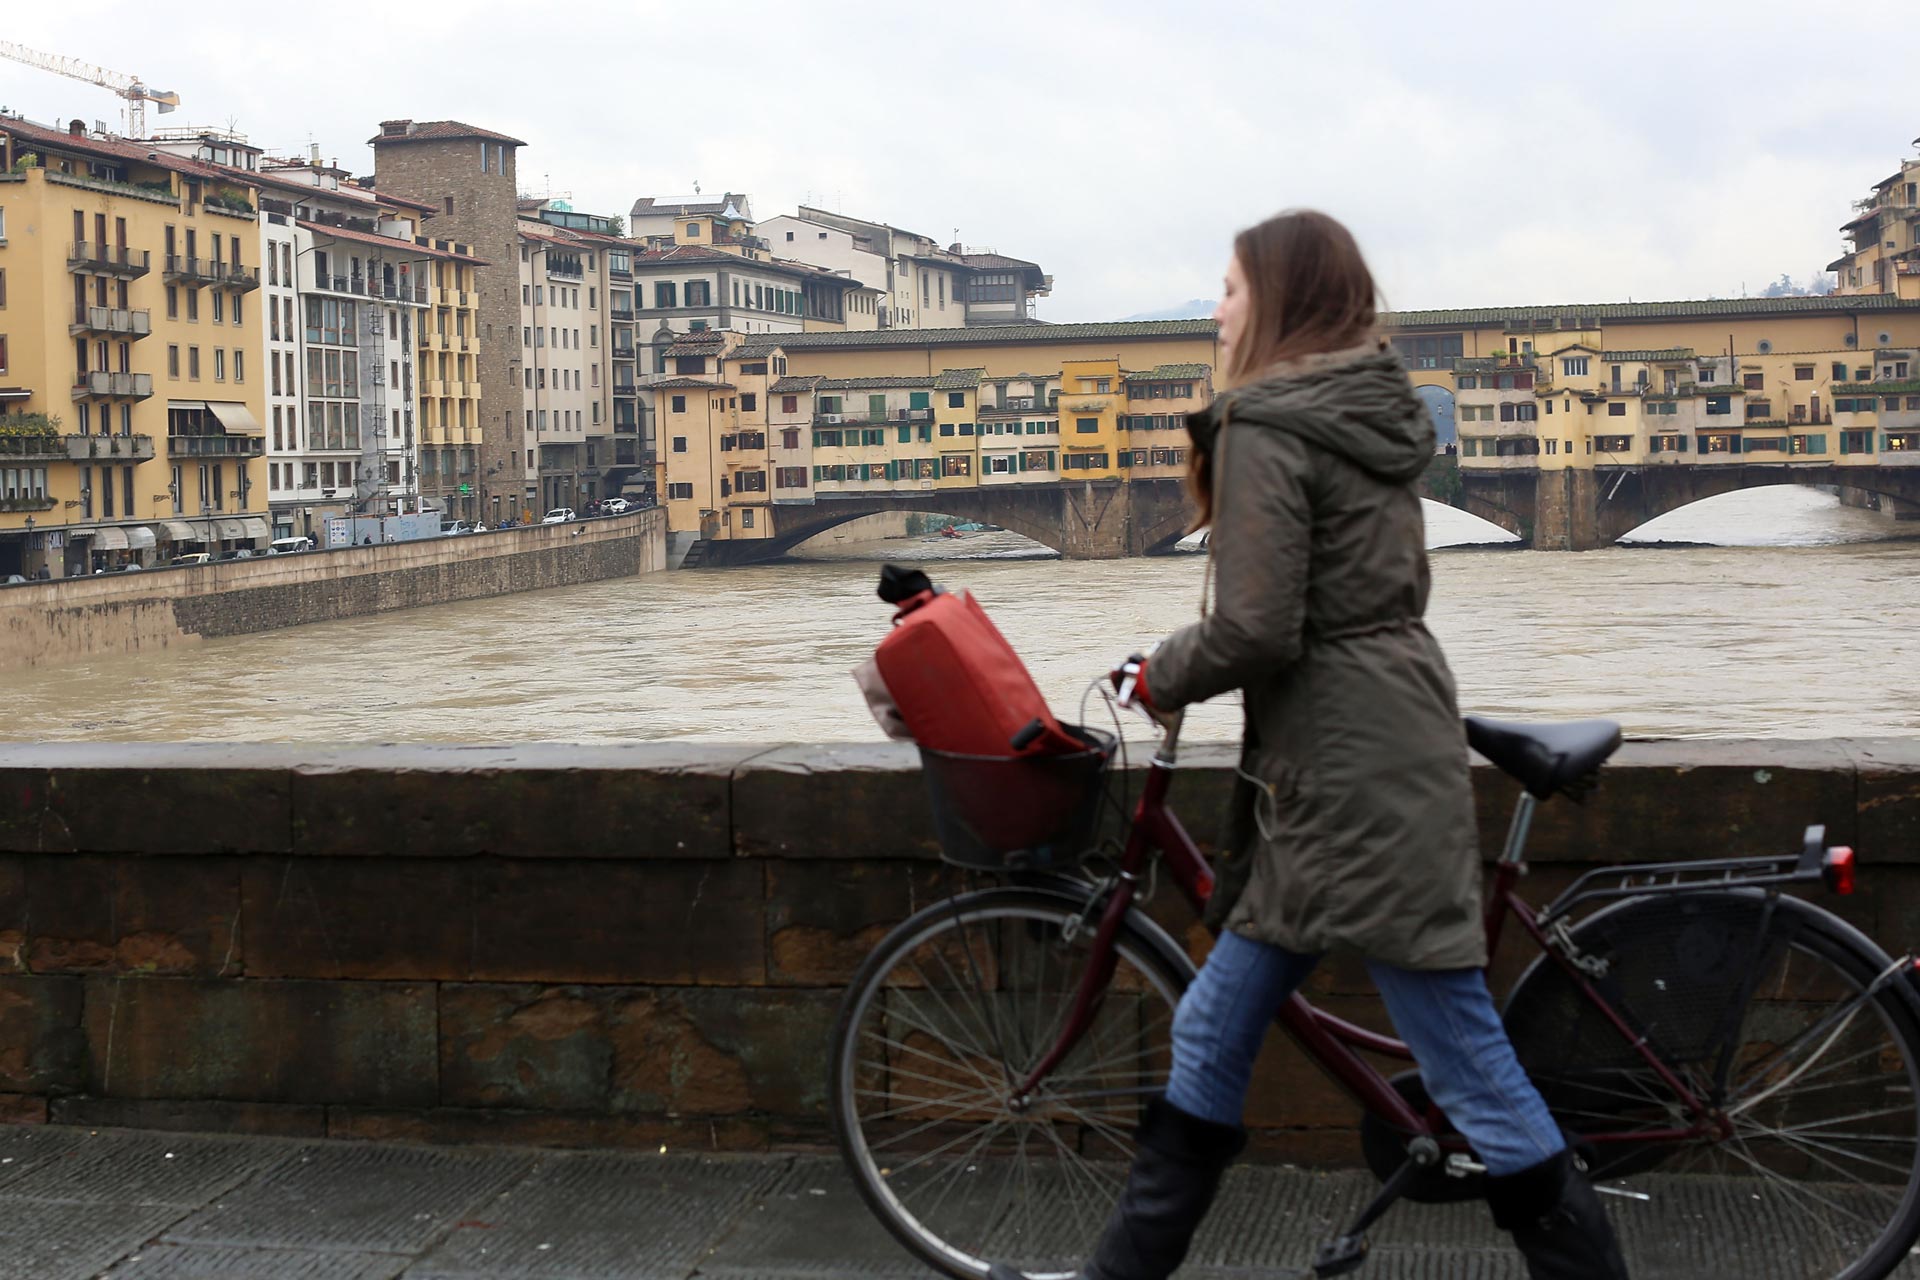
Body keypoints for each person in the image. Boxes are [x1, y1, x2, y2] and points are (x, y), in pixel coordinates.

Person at [989, 211, 1627, 1280]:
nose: (1214, 309)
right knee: (1215, 1034)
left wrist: (1161, 670)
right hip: (1366, 748)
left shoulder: (1268, 426)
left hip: (1343, 777)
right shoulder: (1371, 414)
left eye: (1229, 288)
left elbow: (1256, 623)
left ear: (1276, 302)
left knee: (1466, 1062)